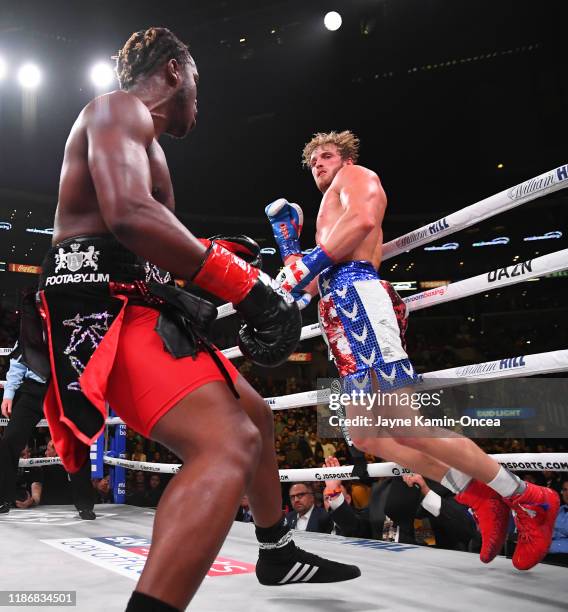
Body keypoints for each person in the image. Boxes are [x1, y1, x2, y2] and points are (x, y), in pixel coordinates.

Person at [28, 29, 359, 612]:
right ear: (176, 72)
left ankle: (277, 549)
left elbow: (141, 233)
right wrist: (245, 289)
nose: (199, 102)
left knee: (253, 409)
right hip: (104, 311)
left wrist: (221, 257)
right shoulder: (116, 110)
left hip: (138, 301)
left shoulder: (141, 139)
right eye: (199, 85)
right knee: (230, 443)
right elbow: (129, 216)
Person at [266, 129, 559, 571]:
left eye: (326, 156)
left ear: (345, 156)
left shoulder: (357, 177)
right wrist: (292, 248)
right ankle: (477, 493)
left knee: (407, 424)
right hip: (339, 318)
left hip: (360, 301)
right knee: (366, 436)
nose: (319, 165)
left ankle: (528, 497)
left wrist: (307, 259)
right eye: (313, 163)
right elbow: (306, 281)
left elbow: (364, 222)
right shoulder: (328, 210)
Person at [0, 347, 95, 519]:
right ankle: (3, 499)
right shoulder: (31, 323)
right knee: (9, 440)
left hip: (66, 389)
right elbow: (18, 358)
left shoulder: (67, 322)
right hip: (33, 389)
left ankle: (85, 504)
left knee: (77, 442)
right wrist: (9, 393)